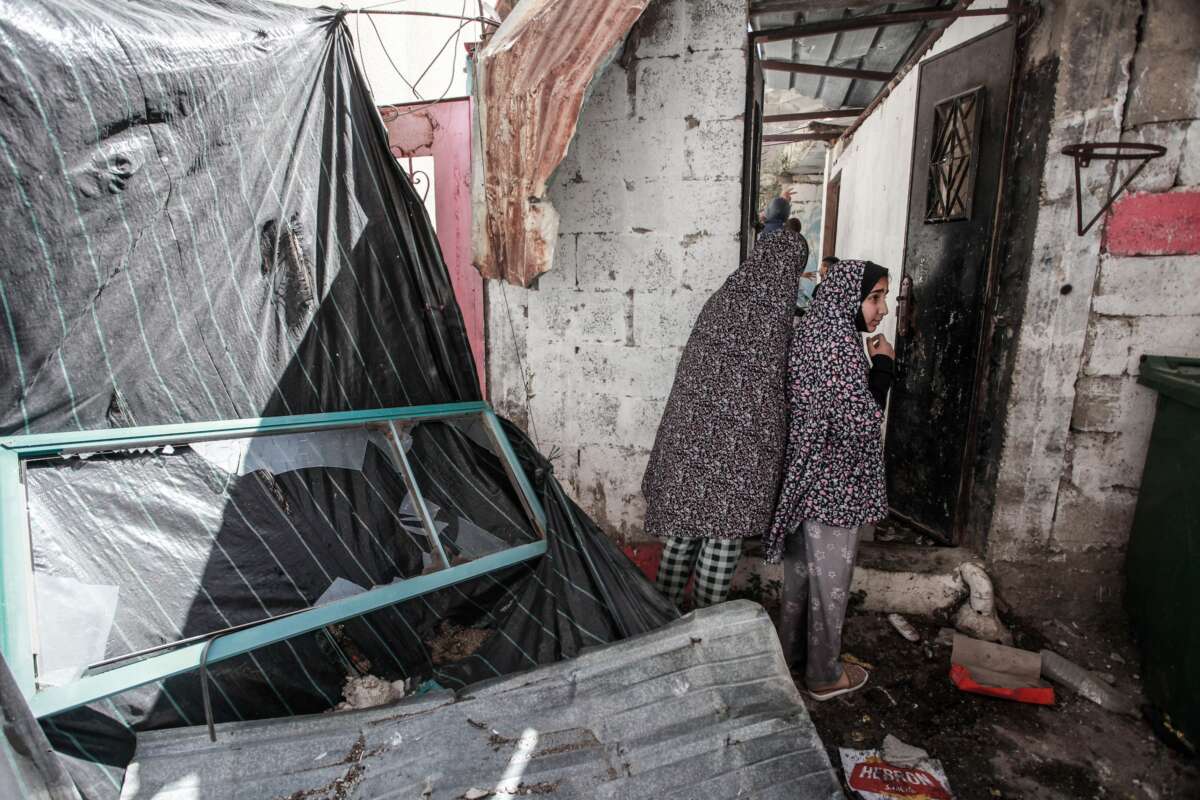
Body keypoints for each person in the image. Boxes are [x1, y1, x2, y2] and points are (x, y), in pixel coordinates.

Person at [642, 229, 809, 608]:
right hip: (737, 456)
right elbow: (771, 386)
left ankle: (658, 620)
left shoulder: (723, 299)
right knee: (723, 538)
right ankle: (705, 626)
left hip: (690, 441)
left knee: (682, 533)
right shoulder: (774, 313)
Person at [763, 259, 894, 700]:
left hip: (804, 483)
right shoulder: (839, 344)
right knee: (831, 589)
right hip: (834, 486)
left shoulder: (808, 331)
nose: (883, 309)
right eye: (875, 297)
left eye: (883, 298)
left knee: (801, 581)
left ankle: (791, 659)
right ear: (848, 296)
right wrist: (884, 369)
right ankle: (824, 677)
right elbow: (859, 424)